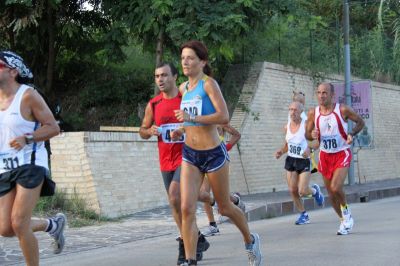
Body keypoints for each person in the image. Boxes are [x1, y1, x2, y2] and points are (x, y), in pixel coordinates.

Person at [172, 40, 262, 266]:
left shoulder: (208, 84)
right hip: (190, 154)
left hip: (213, 153)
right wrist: (181, 129)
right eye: (183, 58)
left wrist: (191, 119)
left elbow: (223, 117)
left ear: (202, 61)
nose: (185, 62)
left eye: (190, 58)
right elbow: (188, 118)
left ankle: (250, 241)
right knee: (186, 207)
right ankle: (190, 260)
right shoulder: (183, 88)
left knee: (224, 207)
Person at [139, 62, 209, 265]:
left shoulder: (185, 100)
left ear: (175, 77)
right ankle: (196, 239)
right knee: (175, 202)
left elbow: (200, 123)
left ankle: (184, 246)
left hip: (187, 158)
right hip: (165, 161)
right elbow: (142, 131)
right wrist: (149, 131)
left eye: (164, 75)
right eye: (157, 76)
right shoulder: (153, 104)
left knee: (174, 195)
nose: (160, 79)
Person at [0, 50, 66, 266]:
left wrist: (28, 138)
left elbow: (53, 127)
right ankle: (52, 225)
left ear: (13, 71)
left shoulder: (28, 95)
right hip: (5, 167)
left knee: (19, 222)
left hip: (30, 163)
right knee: (6, 228)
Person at [305, 82, 365, 235]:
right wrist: (311, 135)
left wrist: (351, 134)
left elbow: (360, 122)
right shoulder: (314, 113)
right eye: (318, 92)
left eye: (324, 92)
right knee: (331, 195)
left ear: (332, 95)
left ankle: (347, 213)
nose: (321, 95)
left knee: (336, 187)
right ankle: (344, 221)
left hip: (341, 153)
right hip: (325, 155)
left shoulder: (342, 109)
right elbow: (307, 134)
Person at [275, 101, 324, 225]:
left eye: (295, 110)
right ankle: (304, 214)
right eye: (290, 110)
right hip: (291, 160)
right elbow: (288, 145)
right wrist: (281, 151)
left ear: (301, 112)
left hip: (303, 161)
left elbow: (318, 142)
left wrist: (310, 149)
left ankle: (315, 191)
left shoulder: (307, 125)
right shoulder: (287, 126)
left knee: (302, 190)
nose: (292, 112)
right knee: (292, 190)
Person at [201, 123, 245, 237]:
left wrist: (226, 148)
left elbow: (237, 135)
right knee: (204, 193)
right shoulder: (198, 120)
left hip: (218, 161)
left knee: (220, 194)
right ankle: (212, 225)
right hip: (203, 160)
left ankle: (235, 200)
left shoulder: (219, 122)